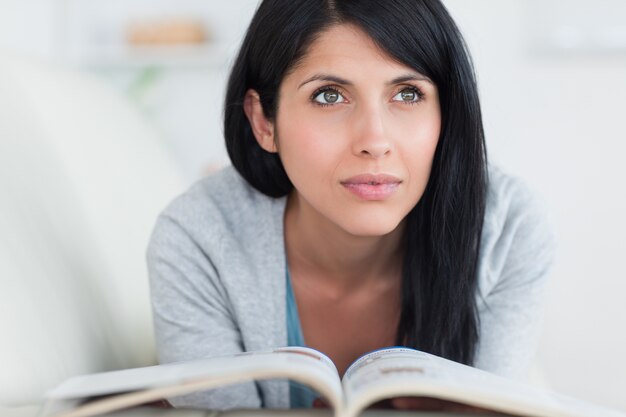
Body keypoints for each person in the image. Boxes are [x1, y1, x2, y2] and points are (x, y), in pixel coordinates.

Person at [147, 0, 555, 411]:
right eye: (329, 96)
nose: (375, 141)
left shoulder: (508, 229)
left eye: (408, 93)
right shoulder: (197, 240)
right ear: (263, 122)